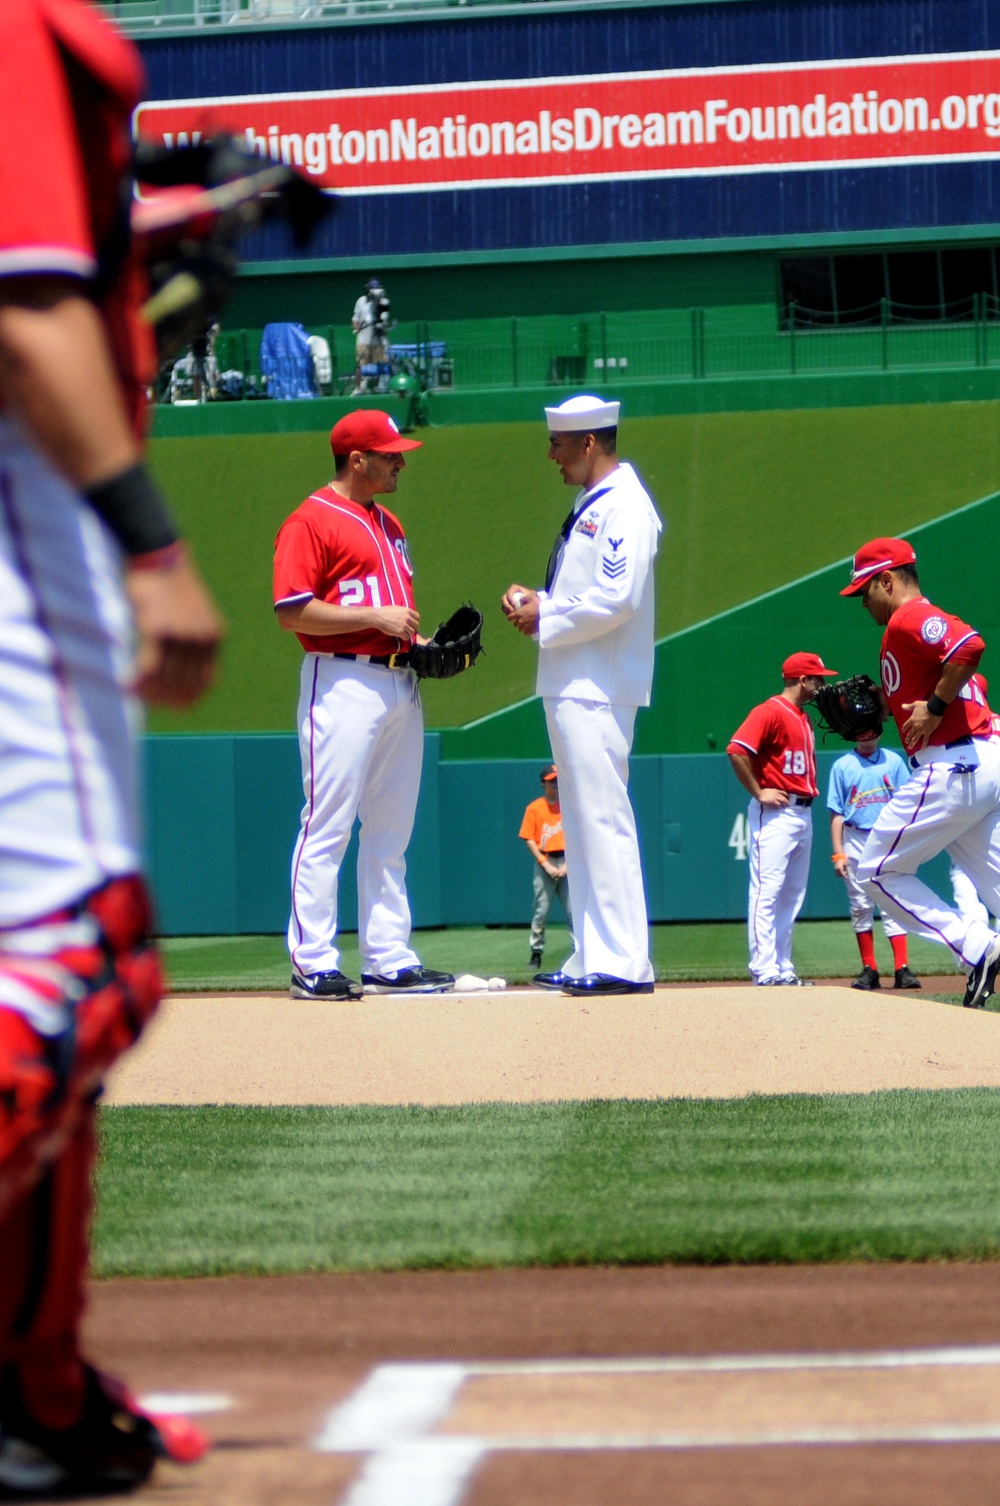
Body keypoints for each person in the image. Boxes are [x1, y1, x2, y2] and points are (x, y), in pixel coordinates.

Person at [0, 0, 223, 1495]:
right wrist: (156, 548)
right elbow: (23, 306)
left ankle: (36, 1392)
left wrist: (169, 216)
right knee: (77, 961)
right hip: (34, 537)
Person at [273, 408, 454, 999]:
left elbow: (392, 612)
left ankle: (388, 956)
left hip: (400, 682)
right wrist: (375, 618)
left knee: (390, 831)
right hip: (342, 681)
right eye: (390, 453)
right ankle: (314, 960)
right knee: (327, 823)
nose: (401, 460)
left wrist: (424, 645)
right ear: (358, 459)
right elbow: (292, 610)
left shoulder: (390, 522)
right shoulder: (310, 519)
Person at [501, 394, 661, 996]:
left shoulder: (625, 506)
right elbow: (587, 589)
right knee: (585, 825)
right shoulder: (593, 501)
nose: (552, 455)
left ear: (589, 443)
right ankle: (593, 953)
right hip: (575, 680)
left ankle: (623, 961)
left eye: (559, 444)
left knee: (602, 819)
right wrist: (541, 604)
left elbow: (618, 598)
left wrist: (548, 613)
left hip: (599, 684)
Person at [841, 536, 1000, 1008]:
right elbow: (970, 679)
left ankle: (977, 948)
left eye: (866, 590)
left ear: (887, 580)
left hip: (952, 767)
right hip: (978, 764)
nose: (863, 600)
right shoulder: (907, 638)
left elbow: (970, 646)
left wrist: (932, 706)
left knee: (874, 871)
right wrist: (896, 702)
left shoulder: (909, 617)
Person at [727, 653, 839, 985]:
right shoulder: (769, 711)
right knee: (768, 891)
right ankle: (764, 969)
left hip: (803, 812)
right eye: (817, 678)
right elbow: (736, 749)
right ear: (802, 680)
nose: (822, 684)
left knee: (792, 895)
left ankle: (783, 967)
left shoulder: (802, 716)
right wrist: (758, 791)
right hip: (776, 812)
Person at [827, 732, 921, 990]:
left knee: (893, 902)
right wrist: (838, 852)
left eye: (871, 727)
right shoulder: (842, 766)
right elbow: (836, 812)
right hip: (854, 836)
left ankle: (902, 968)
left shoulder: (893, 761)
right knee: (860, 904)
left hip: (886, 836)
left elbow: (907, 805)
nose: (867, 734)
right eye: (861, 728)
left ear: (880, 730)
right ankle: (870, 968)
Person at [519, 764, 573, 969]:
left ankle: (579, 951)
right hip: (545, 862)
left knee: (572, 912)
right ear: (543, 783)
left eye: (558, 780)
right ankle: (536, 953)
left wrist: (568, 864)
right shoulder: (535, 808)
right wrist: (546, 865)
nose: (555, 784)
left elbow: (577, 838)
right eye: (551, 781)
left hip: (568, 862)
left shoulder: (569, 805)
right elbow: (529, 839)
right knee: (541, 911)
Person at [352, 277, 391, 394]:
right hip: (363, 339)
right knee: (360, 364)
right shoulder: (361, 301)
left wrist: (382, 325)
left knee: (378, 363)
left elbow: (384, 319)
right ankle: (358, 388)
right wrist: (356, 328)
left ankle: (375, 387)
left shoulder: (384, 302)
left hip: (377, 340)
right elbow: (355, 318)